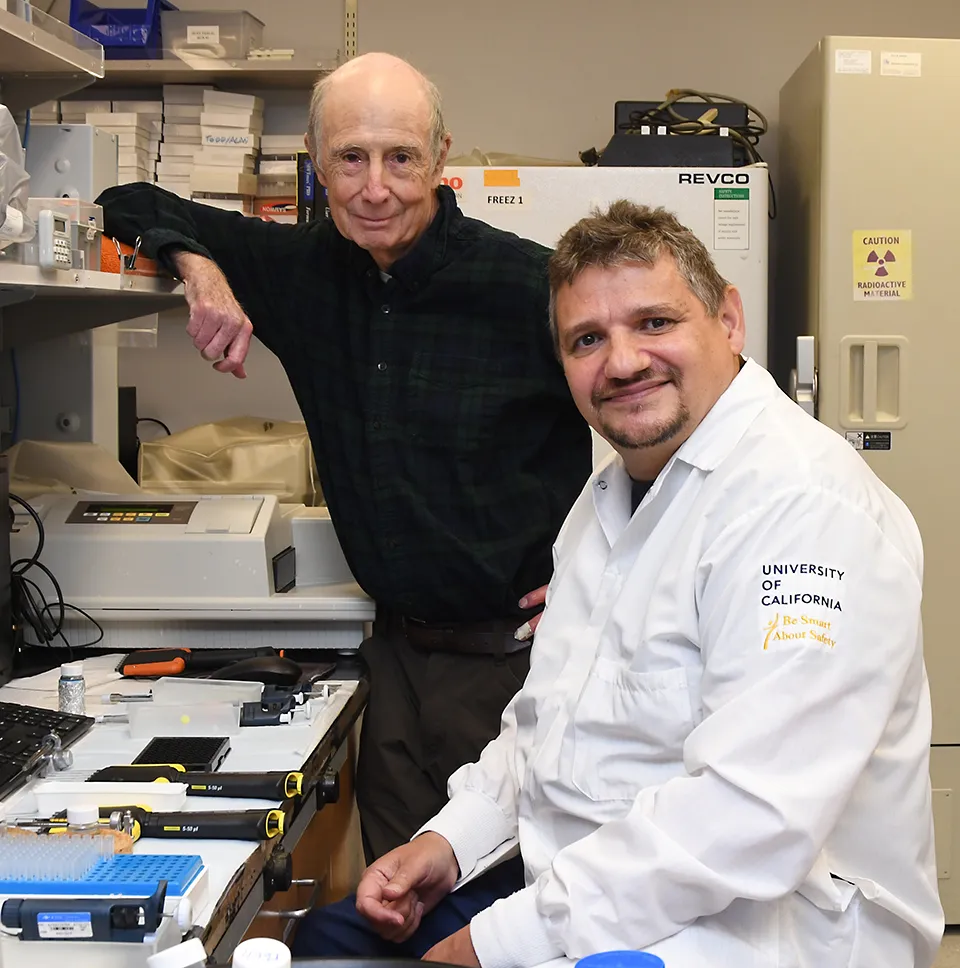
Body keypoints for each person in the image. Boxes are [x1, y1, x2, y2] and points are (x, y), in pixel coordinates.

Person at [293, 201, 944, 967]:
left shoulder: (801, 507)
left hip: (763, 924)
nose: (624, 361)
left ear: (728, 320)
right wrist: (450, 839)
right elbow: (545, 723)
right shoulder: (610, 498)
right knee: (332, 940)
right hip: (600, 885)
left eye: (655, 323)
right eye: (588, 339)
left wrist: (493, 942)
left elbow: (749, 817)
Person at [96, 53, 591, 861]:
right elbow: (129, 201)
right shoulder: (301, 272)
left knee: (521, 913)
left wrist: (611, 574)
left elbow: (653, 425)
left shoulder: (531, 286)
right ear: (317, 165)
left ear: (441, 158)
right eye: (349, 160)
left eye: (400, 158)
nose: (375, 188)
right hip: (393, 661)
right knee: (397, 896)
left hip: (519, 667)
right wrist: (202, 271)